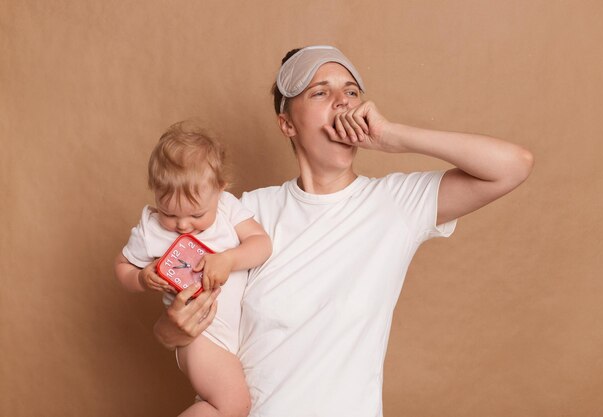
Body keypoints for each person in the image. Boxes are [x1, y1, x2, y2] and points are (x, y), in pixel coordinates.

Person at [153, 45, 534, 417]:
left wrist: (393, 137)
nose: (343, 101)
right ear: (287, 124)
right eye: (321, 92)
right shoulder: (246, 215)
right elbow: (194, 321)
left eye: (351, 91)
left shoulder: (395, 205)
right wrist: (171, 331)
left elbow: (513, 165)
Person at [114, 121, 272, 417]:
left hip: (233, 338)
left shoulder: (227, 208)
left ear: (220, 189)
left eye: (197, 214)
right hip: (200, 337)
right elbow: (121, 267)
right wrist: (140, 278)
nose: (183, 225)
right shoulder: (150, 230)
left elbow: (262, 243)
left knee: (219, 407)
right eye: (169, 214)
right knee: (233, 406)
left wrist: (229, 259)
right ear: (155, 193)